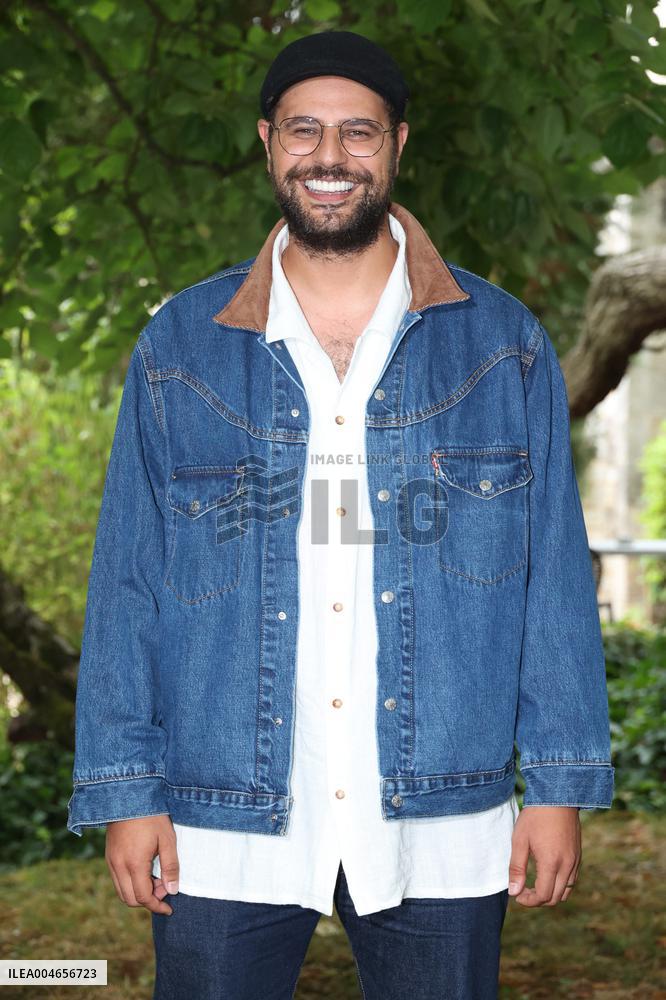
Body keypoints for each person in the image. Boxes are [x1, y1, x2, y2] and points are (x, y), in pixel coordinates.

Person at [67, 29, 615, 1000]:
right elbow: (130, 583)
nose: (330, 157)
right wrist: (126, 791)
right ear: (268, 141)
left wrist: (561, 782)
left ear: (398, 143)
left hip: (439, 815)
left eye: (357, 133)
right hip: (220, 816)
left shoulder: (500, 344)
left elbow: (553, 582)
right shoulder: (180, 349)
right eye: (305, 131)